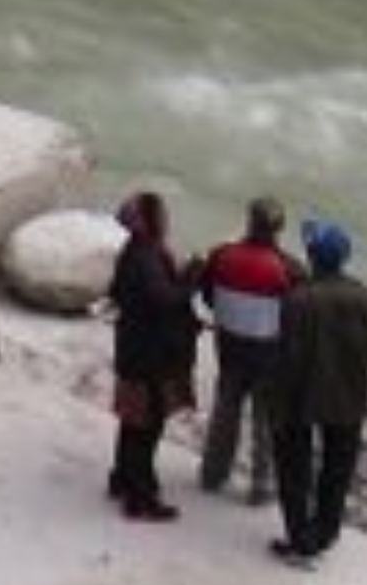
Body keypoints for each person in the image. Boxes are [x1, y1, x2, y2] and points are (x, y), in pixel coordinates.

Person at [271, 218, 367, 566]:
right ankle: (325, 531)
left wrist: (275, 400)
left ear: (312, 257)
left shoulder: (298, 300)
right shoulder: (364, 297)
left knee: (294, 468)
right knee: (337, 468)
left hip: (302, 397)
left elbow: (287, 358)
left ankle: (300, 537)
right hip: (349, 394)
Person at [191, 196, 297, 504]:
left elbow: (209, 296)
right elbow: (294, 316)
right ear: (280, 229)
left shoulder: (221, 255)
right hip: (269, 355)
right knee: (265, 421)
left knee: (225, 411)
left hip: (230, 347)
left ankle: (213, 473)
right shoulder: (290, 270)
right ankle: (261, 485)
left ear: (249, 221)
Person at [102, 188, 197, 522]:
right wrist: (191, 279)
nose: (166, 218)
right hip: (150, 356)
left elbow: (116, 291)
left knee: (132, 421)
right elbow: (165, 300)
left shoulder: (132, 251)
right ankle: (140, 499)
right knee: (148, 426)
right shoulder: (147, 256)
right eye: (160, 213)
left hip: (131, 348)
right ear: (150, 222)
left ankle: (122, 479)